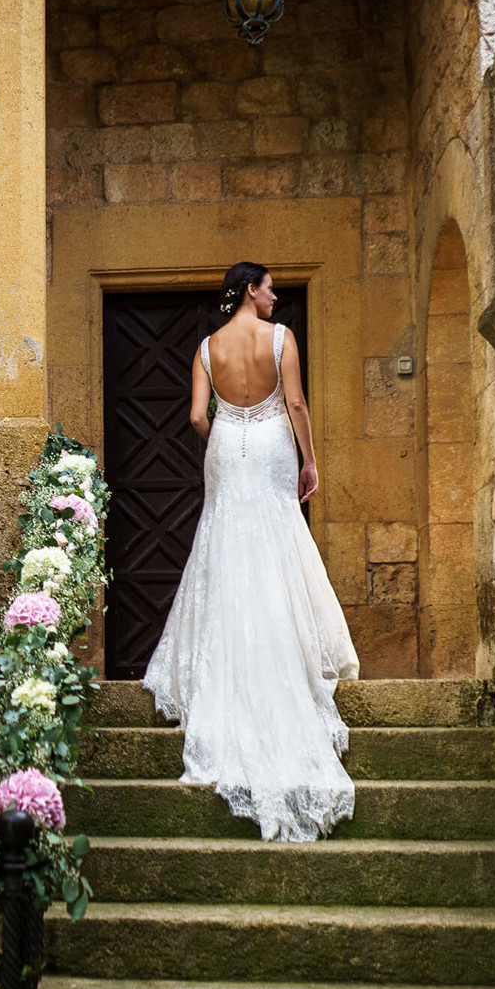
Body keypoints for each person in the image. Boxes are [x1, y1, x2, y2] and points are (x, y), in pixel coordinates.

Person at [141, 262, 360, 842]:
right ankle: (286, 649)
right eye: (268, 286)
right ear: (249, 291)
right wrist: (309, 460)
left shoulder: (207, 348)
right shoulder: (281, 338)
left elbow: (194, 415)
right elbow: (297, 406)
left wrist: (224, 441)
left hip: (227, 449)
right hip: (270, 447)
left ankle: (223, 659)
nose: (276, 293)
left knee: (223, 543)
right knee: (278, 539)